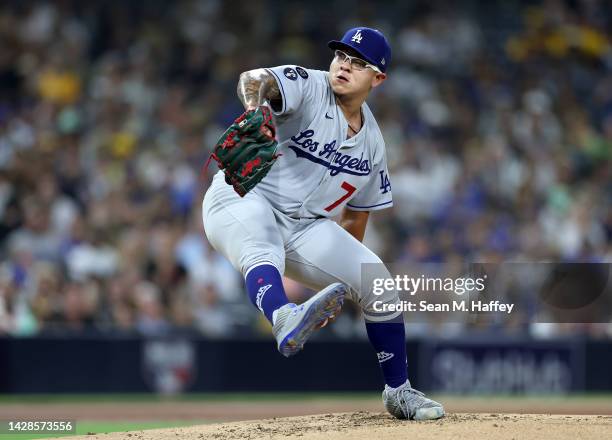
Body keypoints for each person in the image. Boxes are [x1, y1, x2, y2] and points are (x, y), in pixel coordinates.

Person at [202, 27, 444, 421]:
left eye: (358, 63)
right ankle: (283, 316)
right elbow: (254, 79)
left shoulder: (373, 145)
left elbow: (355, 217)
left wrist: (342, 283)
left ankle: (399, 391)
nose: (345, 66)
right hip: (242, 196)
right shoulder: (309, 86)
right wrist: (255, 109)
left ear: (378, 78)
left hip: (303, 226)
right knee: (261, 243)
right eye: (341, 56)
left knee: (377, 282)